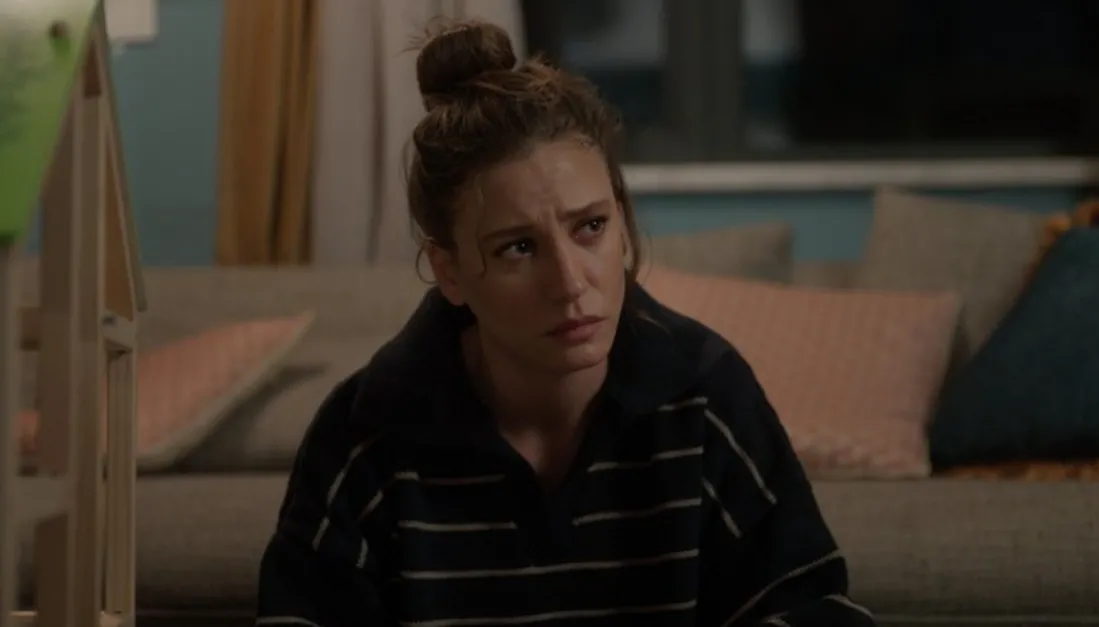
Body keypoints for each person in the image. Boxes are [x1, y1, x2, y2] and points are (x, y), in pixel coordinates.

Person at [255, 20, 875, 627]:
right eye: (519, 248)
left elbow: (812, 608)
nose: (571, 282)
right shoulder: (364, 433)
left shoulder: (707, 395)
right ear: (449, 271)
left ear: (622, 224)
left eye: (591, 227)